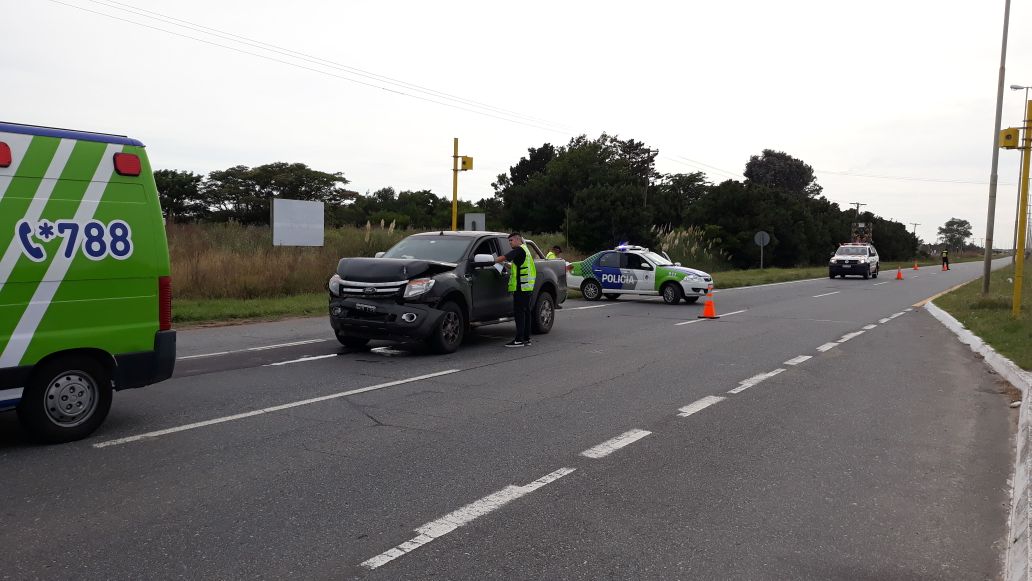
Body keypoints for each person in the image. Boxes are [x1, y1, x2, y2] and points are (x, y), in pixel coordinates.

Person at [495, 232, 536, 347]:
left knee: (519, 314)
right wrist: (505, 264)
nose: (510, 243)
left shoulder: (519, 250)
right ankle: (526, 339)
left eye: (511, 240)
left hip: (521, 287)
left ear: (518, 240)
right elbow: (515, 266)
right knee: (526, 313)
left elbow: (505, 256)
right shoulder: (525, 250)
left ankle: (518, 340)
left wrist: (493, 260)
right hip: (527, 287)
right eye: (509, 241)